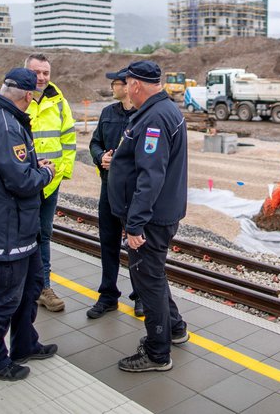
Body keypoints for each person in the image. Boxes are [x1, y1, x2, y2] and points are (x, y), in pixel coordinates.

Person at [0, 68, 58, 381]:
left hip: (19, 226)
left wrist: (34, 165)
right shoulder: (7, 126)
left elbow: (13, 166)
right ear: (27, 96)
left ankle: (24, 343)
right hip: (6, 229)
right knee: (3, 297)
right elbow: (20, 181)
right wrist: (45, 174)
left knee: (30, 286)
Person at [109, 60, 189, 373]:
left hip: (151, 219)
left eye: (126, 82)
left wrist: (135, 224)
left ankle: (157, 353)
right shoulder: (163, 110)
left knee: (148, 281)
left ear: (136, 85)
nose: (124, 88)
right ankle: (176, 328)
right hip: (160, 213)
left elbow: (150, 176)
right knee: (154, 274)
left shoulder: (154, 118)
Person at [86, 67, 141, 319]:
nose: (112, 87)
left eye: (116, 83)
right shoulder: (108, 113)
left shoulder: (143, 115)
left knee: (137, 245)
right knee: (107, 242)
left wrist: (119, 161)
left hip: (132, 192)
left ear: (128, 85)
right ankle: (108, 295)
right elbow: (94, 142)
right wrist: (101, 156)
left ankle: (140, 296)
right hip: (108, 187)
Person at [24, 53, 77, 312]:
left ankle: (43, 287)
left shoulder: (59, 102)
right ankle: (23, 287)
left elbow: (69, 138)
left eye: (45, 72)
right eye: (36, 72)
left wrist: (62, 172)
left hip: (50, 183)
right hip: (23, 184)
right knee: (23, 234)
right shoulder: (19, 100)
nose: (42, 77)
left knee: (44, 235)